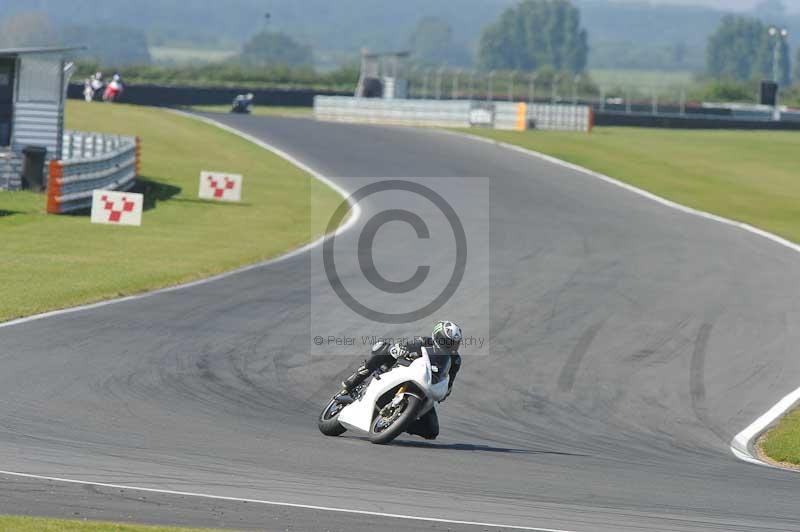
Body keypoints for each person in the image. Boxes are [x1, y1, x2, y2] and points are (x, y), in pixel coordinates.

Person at [337, 320, 463, 439]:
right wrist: (400, 349)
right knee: (383, 348)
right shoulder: (424, 342)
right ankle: (353, 382)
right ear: (437, 337)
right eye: (447, 341)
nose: (450, 346)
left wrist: (445, 391)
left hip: (426, 386)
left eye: (454, 343)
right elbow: (405, 345)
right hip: (401, 370)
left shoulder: (455, 360)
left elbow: (449, 380)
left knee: (432, 431)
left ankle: (399, 422)